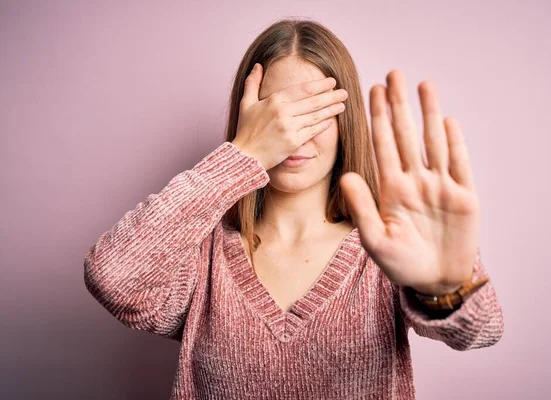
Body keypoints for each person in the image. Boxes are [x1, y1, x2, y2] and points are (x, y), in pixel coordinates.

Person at [84, 17, 504, 400]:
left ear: (346, 121)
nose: (294, 136)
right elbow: (113, 277)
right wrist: (241, 155)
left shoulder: (388, 246)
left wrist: (444, 289)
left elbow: (483, 329)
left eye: (315, 113)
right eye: (276, 115)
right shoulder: (201, 255)